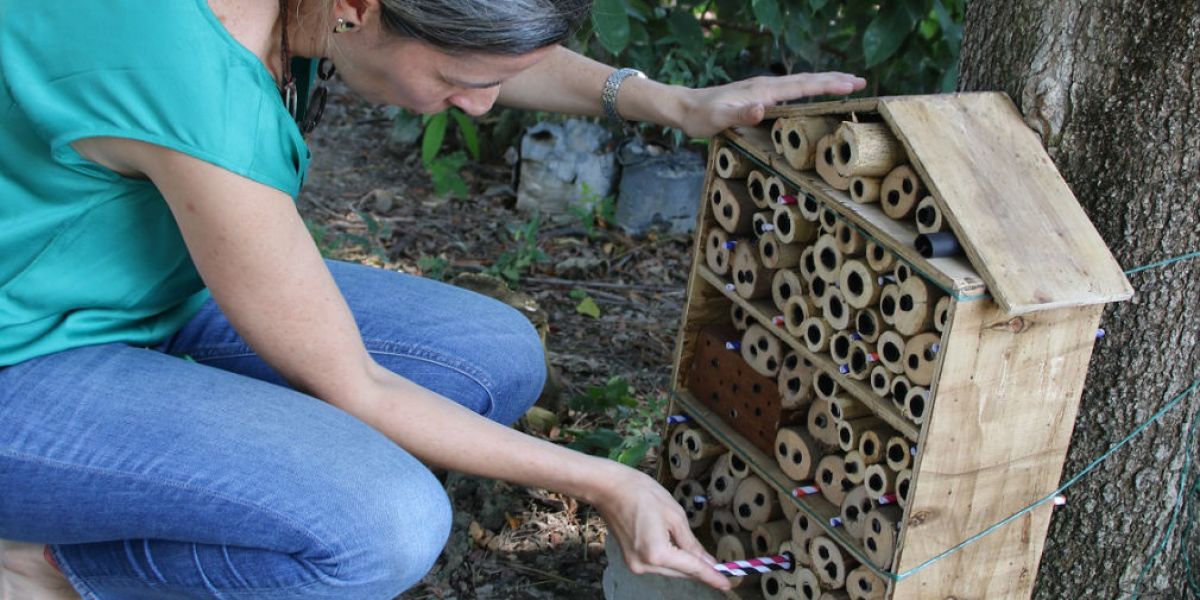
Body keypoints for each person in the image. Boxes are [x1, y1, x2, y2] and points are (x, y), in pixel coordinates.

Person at [0, 0, 865, 598]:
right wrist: (607, 482)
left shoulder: (312, 14)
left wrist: (669, 102)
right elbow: (358, 386)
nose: (482, 105)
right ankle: (42, 570)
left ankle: (196, 465)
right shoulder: (188, 78)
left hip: (138, 280)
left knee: (487, 359)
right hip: (25, 352)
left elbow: (485, 45)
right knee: (383, 527)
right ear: (360, 8)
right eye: (458, 77)